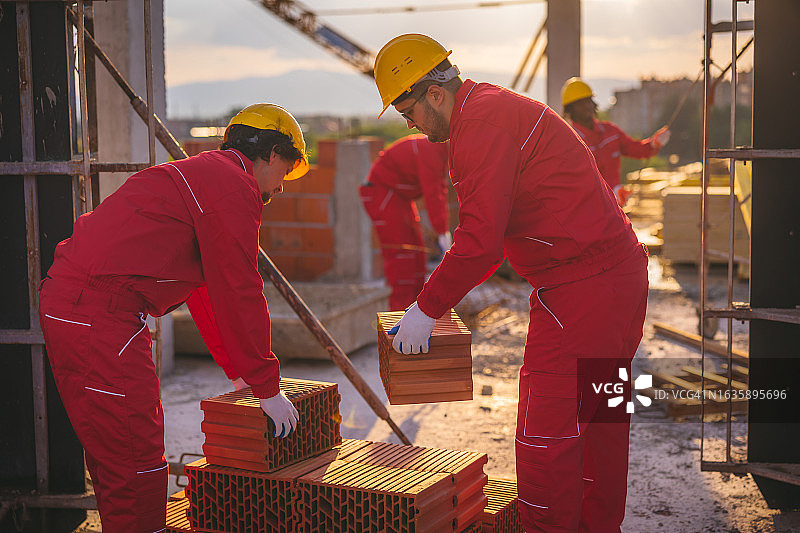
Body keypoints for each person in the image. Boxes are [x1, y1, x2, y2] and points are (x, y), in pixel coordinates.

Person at [374, 34, 649, 532]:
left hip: (582, 290)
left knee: (547, 433)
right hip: (617, 277)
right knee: (602, 421)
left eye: (407, 110)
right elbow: (495, 233)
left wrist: (426, 308)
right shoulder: (491, 110)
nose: (409, 123)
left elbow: (481, 241)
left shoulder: (479, 125)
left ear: (434, 94)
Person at [39, 103, 306, 531]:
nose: (281, 187)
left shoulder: (205, 174)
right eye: (286, 171)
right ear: (273, 153)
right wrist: (267, 385)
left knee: (116, 449)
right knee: (134, 454)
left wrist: (240, 372)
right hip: (99, 314)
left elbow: (206, 289)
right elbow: (239, 289)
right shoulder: (234, 187)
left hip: (78, 306)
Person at [359, 133, 451, 310]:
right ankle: (399, 318)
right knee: (403, 260)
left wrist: (443, 231)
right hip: (384, 193)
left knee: (417, 258)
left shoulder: (440, 151)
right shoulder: (431, 149)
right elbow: (434, 193)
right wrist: (441, 231)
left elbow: (439, 189)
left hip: (400, 197)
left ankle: (416, 311)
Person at [561, 77, 670, 206]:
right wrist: (611, 192)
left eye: (588, 100)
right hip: (588, 209)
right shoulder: (569, 140)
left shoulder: (610, 131)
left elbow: (635, 148)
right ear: (570, 109)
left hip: (614, 206)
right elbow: (574, 183)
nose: (586, 106)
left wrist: (653, 143)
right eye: (580, 103)